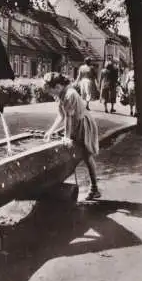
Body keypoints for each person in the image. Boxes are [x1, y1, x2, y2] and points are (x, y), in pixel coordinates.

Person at [43, 72, 101, 200]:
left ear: (57, 86)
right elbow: (62, 115)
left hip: (83, 125)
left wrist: (67, 137)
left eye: (51, 92)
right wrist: (51, 131)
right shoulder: (62, 94)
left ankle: (94, 188)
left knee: (87, 156)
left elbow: (69, 118)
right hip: (75, 123)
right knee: (74, 151)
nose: (51, 95)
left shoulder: (70, 95)